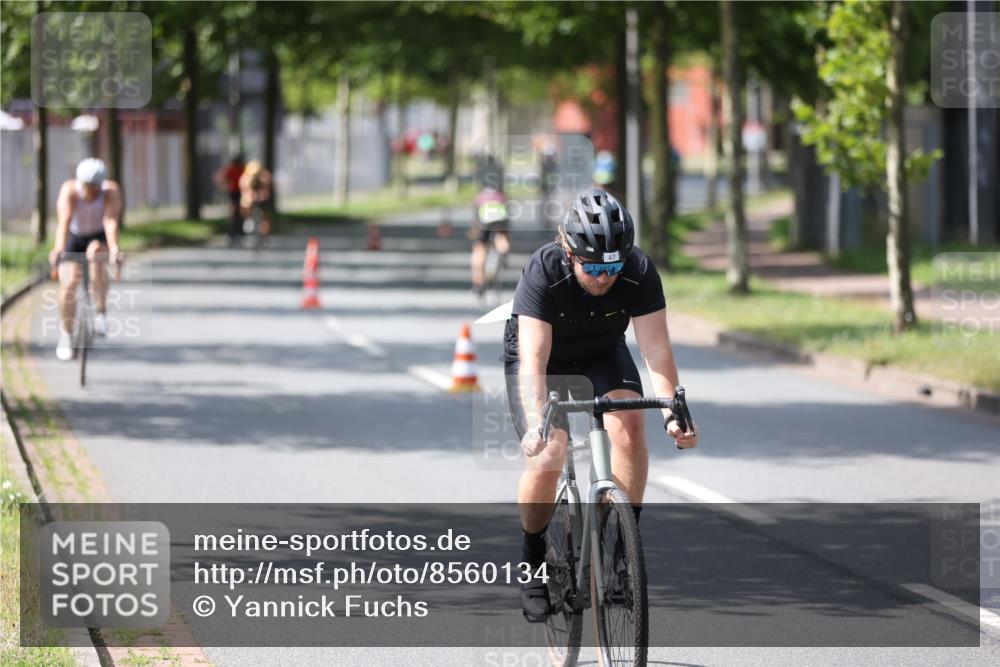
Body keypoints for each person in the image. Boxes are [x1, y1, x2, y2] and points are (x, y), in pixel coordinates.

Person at [503, 188, 698, 621]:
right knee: (549, 453)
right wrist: (537, 422)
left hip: (601, 350)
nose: (603, 277)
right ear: (567, 250)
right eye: (591, 266)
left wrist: (672, 411)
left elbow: (656, 350)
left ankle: (620, 549)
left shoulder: (639, 271)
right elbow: (533, 359)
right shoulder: (543, 271)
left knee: (629, 425)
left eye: (612, 266)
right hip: (544, 357)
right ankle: (532, 561)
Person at [48, 158, 123, 361]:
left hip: (98, 236)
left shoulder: (110, 191)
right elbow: (64, 222)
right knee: (69, 283)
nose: (92, 192)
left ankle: (101, 312)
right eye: (88, 187)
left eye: (96, 188)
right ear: (81, 183)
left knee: (97, 254)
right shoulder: (70, 190)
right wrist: (58, 249)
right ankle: (66, 334)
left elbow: (110, 221)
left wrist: (114, 248)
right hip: (76, 236)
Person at [469, 185, 511, 299]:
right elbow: (507, 219)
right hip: (500, 222)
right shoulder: (502, 196)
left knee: (479, 249)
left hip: (483, 222)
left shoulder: (480, 197)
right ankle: (503, 254)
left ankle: (478, 283)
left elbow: (475, 220)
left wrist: (474, 230)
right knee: (501, 237)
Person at [238, 160, 273, 240]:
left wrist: (262, 196)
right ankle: (248, 220)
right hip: (250, 200)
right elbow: (244, 192)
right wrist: (250, 198)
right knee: (245, 206)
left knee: (265, 216)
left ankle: (265, 234)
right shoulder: (245, 178)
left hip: (261, 199)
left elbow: (266, 191)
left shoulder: (264, 176)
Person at [215, 153, 245, 246]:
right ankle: (237, 233)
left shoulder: (232, 169)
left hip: (235, 192)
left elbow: (224, 180)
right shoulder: (241, 169)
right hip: (239, 192)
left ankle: (233, 234)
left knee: (234, 214)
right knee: (239, 213)